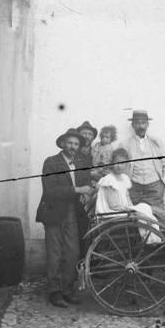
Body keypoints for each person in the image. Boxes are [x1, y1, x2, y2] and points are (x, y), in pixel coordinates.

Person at [36, 128, 93, 308]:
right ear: (62, 144)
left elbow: (85, 183)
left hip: (73, 212)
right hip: (54, 212)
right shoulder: (51, 163)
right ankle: (55, 292)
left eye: (76, 144)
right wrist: (77, 190)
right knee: (55, 253)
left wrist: (89, 189)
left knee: (73, 252)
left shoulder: (80, 163)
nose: (72, 147)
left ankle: (68, 290)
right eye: (69, 143)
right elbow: (50, 190)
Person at [95, 148, 162, 243]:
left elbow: (127, 198)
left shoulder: (124, 178)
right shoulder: (109, 180)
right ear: (111, 163)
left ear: (126, 165)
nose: (119, 166)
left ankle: (151, 238)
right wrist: (131, 209)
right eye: (116, 163)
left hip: (122, 210)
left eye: (122, 163)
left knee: (144, 208)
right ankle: (148, 239)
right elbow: (113, 205)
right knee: (142, 211)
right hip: (111, 212)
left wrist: (132, 207)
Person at [119, 110, 165, 222]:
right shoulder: (125, 144)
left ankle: (163, 239)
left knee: (160, 217)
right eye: (137, 123)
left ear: (148, 124)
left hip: (154, 187)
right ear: (133, 125)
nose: (140, 126)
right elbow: (120, 166)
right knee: (137, 219)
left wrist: (163, 183)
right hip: (135, 188)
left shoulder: (156, 142)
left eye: (143, 123)